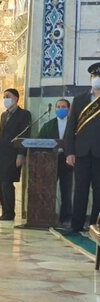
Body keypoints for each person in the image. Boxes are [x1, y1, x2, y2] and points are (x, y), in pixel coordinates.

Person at [63, 62, 100, 235]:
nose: (97, 79)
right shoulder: (79, 101)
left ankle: (95, 226)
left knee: (99, 191)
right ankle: (76, 225)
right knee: (80, 190)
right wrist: (69, 152)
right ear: (90, 78)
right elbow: (71, 129)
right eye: (95, 76)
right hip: (81, 154)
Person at [0, 88, 31, 221]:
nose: (5, 99)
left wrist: (21, 155)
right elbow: (1, 136)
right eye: (4, 97)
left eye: (8, 96)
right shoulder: (3, 115)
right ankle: (4, 210)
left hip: (13, 154)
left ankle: (9, 212)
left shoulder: (24, 114)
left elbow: (25, 135)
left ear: (16, 98)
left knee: (7, 182)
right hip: (1, 153)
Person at [38, 98, 72, 225]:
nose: (60, 109)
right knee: (48, 189)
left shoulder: (74, 124)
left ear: (68, 109)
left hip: (68, 161)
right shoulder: (48, 125)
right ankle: (47, 216)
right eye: (58, 107)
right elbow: (39, 141)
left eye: (63, 107)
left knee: (66, 190)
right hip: (50, 161)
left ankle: (66, 217)